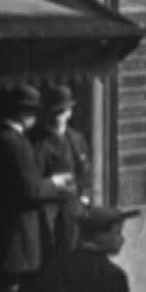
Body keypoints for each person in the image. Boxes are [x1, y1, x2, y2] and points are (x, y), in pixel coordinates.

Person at [0, 86, 74, 292]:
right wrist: (56, 185)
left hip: (8, 220)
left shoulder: (5, 138)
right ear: (23, 114)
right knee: (8, 280)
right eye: (33, 113)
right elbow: (30, 189)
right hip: (14, 222)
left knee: (7, 278)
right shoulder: (14, 143)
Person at [30, 84, 92, 256]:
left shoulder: (76, 138)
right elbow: (35, 178)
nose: (59, 117)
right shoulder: (38, 142)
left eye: (63, 112)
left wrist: (85, 199)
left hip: (74, 208)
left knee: (75, 254)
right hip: (50, 210)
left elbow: (85, 170)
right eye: (55, 112)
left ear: (70, 113)